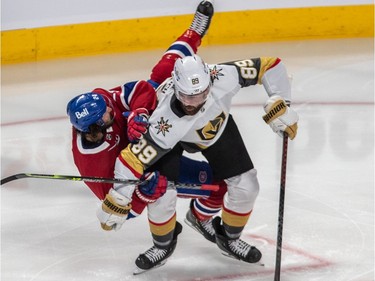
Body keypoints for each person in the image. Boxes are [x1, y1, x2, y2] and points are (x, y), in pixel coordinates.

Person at [110, 53, 299, 272]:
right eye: (188, 97)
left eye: (202, 94)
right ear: (176, 89)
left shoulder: (223, 75)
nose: (195, 103)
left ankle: (229, 238)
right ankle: (163, 244)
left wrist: (280, 102)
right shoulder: (163, 121)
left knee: (247, 186)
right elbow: (131, 158)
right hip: (174, 140)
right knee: (162, 195)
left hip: (215, 129)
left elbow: (270, 65)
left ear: (210, 81)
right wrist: (119, 198)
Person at [66, 1, 215, 234]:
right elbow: (117, 212)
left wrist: (139, 112)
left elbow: (141, 89)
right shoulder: (92, 164)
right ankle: (177, 232)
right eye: (106, 113)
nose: (110, 108)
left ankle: (193, 32)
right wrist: (143, 194)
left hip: (149, 128)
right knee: (210, 183)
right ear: (96, 127)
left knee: (161, 75)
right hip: (149, 163)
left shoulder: (100, 102)